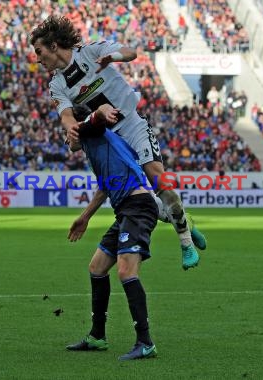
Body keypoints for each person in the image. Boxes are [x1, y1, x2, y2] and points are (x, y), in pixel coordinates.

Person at [31, 16, 206, 270]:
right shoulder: (57, 83)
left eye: (39, 51)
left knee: (158, 179)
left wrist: (113, 58)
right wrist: (72, 131)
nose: (38, 58)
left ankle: (185, 241)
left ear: (54, 46)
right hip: (109, 141)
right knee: (132, 197)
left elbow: (130, 52)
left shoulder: (90, 52)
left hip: (132, 124)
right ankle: (183, 221)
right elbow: (67, 116)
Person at [65, 104, 158, 360]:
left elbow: (97, 118)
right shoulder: (96, 146)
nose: (66, 135)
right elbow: (105, 187)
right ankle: (97, 336)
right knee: (96, 267)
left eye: (68, 129)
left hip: (138, 207)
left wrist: (95, 115)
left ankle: (145, 341)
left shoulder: (94, 131)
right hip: (125, 210)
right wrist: (84, 218)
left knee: (126, 270)